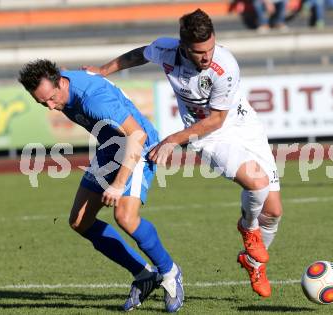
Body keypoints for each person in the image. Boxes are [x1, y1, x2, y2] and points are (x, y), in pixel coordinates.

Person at [84, 8, 283, 298]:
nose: (207, 57)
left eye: (210, 49)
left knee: (274, 211)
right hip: (209, 137)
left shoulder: (225, 66)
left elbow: (219, 116)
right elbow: (140, 54)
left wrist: (173, 139)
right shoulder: (167, 50)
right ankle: (248, 228)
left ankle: (253, 262)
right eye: (199, 52)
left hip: (242, 125)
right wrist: (103, 71)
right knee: (257, 183)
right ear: (183, 47)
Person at [18, 59, 184, 312]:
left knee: (125, 216)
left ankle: (170, 272)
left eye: (52, 98)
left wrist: (118, 184)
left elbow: (136, 135)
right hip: (110, 148)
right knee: (80, 221)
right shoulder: (59, 83)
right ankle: (144, 275)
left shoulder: (93, 99)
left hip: (138, 146)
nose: (51, 107)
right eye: (42, 103)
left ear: (60, 81)